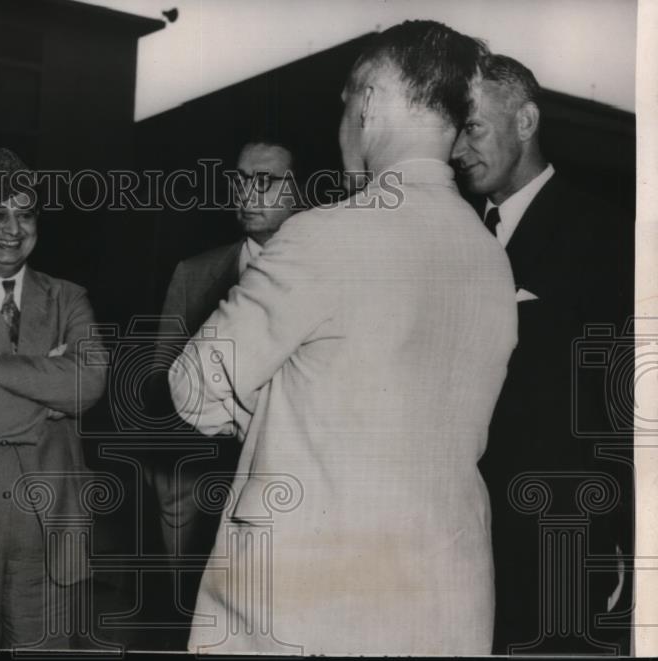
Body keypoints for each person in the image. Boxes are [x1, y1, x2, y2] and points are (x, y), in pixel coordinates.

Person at [168, 21, 515, 654]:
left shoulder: (322, 235)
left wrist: (279, 403)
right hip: (444, 606)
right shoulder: (489, 255)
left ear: (372, 100)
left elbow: (192, 384)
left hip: (307, 602)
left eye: (345, 104)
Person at [452, 54, 634, 655]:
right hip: (459, 532)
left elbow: (621, 407)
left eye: (472, 127)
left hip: (559, 539)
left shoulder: (607, 233)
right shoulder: (453, 234)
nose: (456, 148)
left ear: (525, 122)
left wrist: (614, 541)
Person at [0, 148, 107, 650]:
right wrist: (47, 397)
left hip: (53, 537)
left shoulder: (68, 297)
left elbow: (88, 385)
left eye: (25, 214)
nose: (13, 228)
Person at [144, 137, 300, 620]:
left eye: (265, 180)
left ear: (301, 190)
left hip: (287, 486)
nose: (247, 193)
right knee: (194, 614)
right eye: (239, 180)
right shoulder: (194, 273)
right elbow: (158, 382)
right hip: (200, 484)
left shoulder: (326, 273)